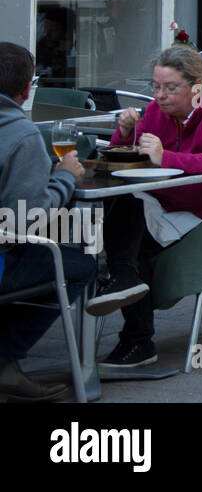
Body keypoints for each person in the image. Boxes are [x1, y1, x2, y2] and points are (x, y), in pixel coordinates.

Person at [98, 45, 202, 369]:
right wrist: (124, 134)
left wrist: (165, 157)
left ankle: (137, 338)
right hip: (169, 203)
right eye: (155, 86)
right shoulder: (157, 112)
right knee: (120, 212)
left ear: (196, 87)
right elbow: (131, 161)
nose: (159, 95)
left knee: (129, 246)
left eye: (170, 88)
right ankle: (124, 285)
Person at [0, 43, 103, 402]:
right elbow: (25, 221)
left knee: (74, 236)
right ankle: (4, 360)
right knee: (81, 260)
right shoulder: (21, 135)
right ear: (28, 89)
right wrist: (65, 178)